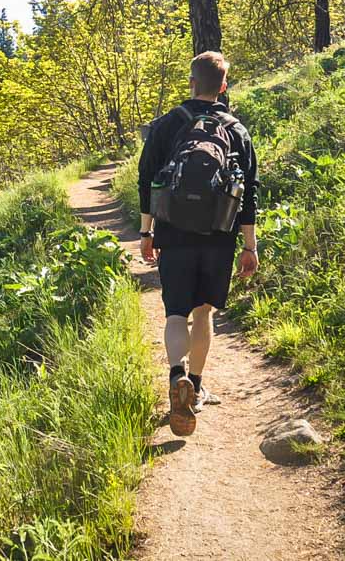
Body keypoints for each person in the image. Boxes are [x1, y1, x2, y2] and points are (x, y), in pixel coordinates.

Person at [137, 51, 259, 437]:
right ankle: (197, 381)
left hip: (173, 232)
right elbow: (249, 194)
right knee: (204, 313)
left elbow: (147, 179)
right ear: (223, 86)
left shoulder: (168, 125)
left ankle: (176, 377)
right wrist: (249, 246)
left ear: (191, 82)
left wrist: (146, 233)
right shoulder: (236, 129)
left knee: (176, 313)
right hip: (219, 235)